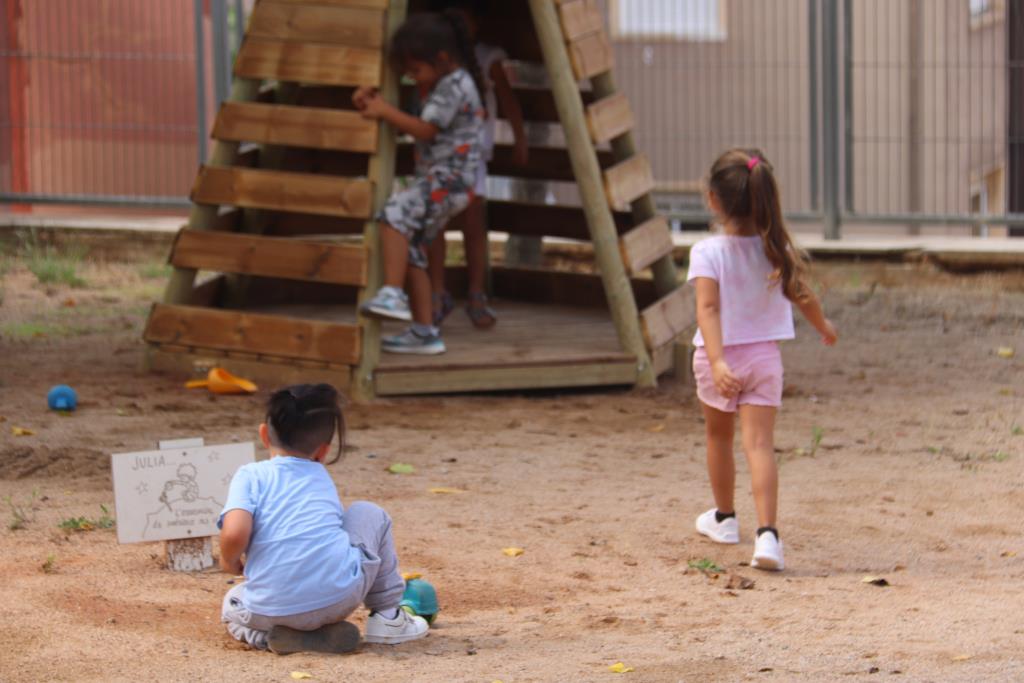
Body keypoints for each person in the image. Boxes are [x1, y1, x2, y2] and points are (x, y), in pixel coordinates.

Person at [688, 149, 838, 571]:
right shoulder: (775, 247)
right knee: (759, 445)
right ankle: (768, 536)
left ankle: (724, 519)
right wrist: (824, 326)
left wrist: (717, 362)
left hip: (720, 360)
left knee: (719, 438)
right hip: (764, 359)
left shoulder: (706, 251)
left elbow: (709, 310)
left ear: (713, 200)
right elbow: (802, 294)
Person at [219, 384, 429, 654]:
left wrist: (228, 560)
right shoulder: (321, 478)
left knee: (232, 603)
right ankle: (388, 618)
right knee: (369, 513)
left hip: (269, 609)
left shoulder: (249, 475)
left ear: (264, 435)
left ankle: (265, 638)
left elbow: (235, 533)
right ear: (324, 451)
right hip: (338, 599)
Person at [355, 11, 485, 355]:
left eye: (415, 71)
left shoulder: (455, 85)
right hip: (447, 181)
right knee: (411, 247)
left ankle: (393, 293)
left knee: (393, 214)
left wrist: (383, 111)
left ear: (442, 59)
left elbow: (426, 129)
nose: (411, 79)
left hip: (450, 180)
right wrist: (374, 101)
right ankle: (425, 331)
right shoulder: (441, 82)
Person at [427, 0, 529, 329]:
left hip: (472, 157)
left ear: (476, 21)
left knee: (472, 223)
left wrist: (519, 138)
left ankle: (475, 294)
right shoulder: (437, 58)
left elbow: (508, 99)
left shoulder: (487, 58)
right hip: (441, 154)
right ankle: (437, 293)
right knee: (437, 225)